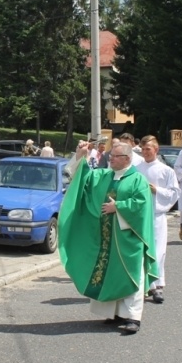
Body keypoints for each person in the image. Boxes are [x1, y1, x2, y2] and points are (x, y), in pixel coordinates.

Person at [58, 141, 157, 334]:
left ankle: (134, 317)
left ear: (127, 159)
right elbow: (84, 178)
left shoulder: (138, 180)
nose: (109, 160)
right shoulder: (104, 176)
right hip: (106, 238)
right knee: (111, 275)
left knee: (132, 276)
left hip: (129, 238)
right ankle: (116, 313)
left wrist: (118, 207)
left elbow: (141, 205)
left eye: (114, 157)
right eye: (110, 157)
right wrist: (81, 155)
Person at [138, 135, 180, 304]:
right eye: (143, 149)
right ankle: (142, 286)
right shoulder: (136, 168)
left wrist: (157, 190)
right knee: (140, 252)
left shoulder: (166, 170)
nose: (145, 152)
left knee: (157, 251)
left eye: (148, 149)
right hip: (139, 216)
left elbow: (175, 192)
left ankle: (157, 286)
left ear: (156, 150)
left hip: (156, 216)